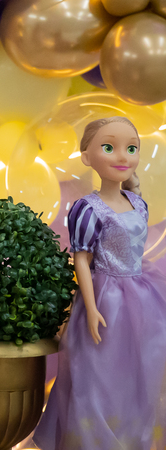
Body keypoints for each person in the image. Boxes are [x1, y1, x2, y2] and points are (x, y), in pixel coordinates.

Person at [35, 116, 166, 450]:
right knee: (96, 375)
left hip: (142, 295)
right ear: (86, 156)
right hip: (106, 297)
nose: (122, 156)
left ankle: (133, 439)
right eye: (109, 147)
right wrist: (91, 308)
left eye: (131, 148)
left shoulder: (138, 203)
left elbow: (134, 248)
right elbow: (82, 258)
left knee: (139, 374)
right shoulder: (87, 208)